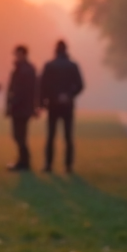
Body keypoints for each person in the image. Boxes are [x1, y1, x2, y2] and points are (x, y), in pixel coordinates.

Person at [38, 40, 84, 173]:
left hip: (52, 104)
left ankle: (48, 164)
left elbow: (42, 85)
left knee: (50, 136)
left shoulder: (49, 65)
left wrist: (43, 102)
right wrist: (69, 95)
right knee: (68, 136)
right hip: (67, 105)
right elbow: (80, 85)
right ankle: (68, 165)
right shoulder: (73, 66)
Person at [5, 45, 38, 171]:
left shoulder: (25, 70)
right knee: (19, 136)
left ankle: (24, 162)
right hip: (21, 107)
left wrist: (12, 103)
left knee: (19, 135)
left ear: (24, 54)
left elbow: (23, 90)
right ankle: (23, 160)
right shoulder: (23, 69)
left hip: (21, 108)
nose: (16, 56)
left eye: (18, 54)